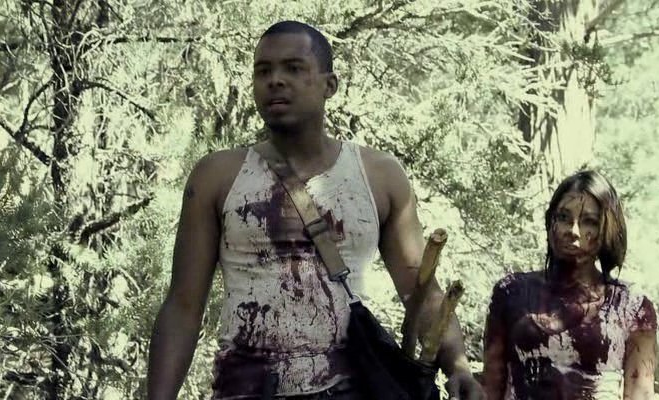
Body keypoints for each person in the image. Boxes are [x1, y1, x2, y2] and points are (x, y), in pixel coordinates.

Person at [146, 20, 484, 400]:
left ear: (330, 85)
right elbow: (183, 305)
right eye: (263, 71)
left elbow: (420, 293)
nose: (275, 80)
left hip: (349, 390)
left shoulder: (378, 176)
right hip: (246, 388)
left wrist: (458, 366)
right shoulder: (217, 176)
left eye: (294, 68)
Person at [482, 170, 658, 399]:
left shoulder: (631, 307)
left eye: (589, 222)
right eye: (564, 217)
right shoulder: (511, 292)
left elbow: (640, 394)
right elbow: (491, 387)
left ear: (607, 230)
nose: (573, 231)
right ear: (550, 222)